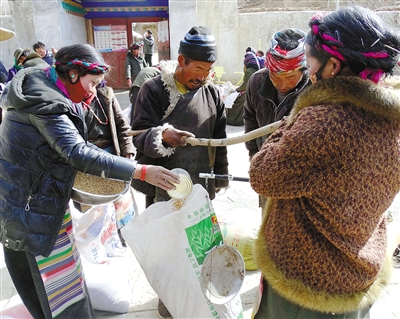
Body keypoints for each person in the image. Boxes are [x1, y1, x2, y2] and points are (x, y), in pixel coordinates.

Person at [0, 43, 179, 319]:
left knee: (45, 291)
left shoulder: (39, 90)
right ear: (72, 74)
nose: (94, 91)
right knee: (60, 294)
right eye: (92, 83)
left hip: (22, 203)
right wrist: (140, 171)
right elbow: (77, 152)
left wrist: (128, 166)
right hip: (31, 209)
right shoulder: (46, 103)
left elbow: (77, 146)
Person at [250, 6, 400, 319]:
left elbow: (262, 176)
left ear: (332, 66)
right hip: (360, 271)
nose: (306, 70)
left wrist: (297, 116)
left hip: (306, 288)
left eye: (309, 59)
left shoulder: (324, 122)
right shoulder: (392, 121)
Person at [131, 25, 229, 318]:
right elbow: (137, 134)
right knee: (169, 249)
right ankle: (171, 302)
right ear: (182, 60)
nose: (204, 76)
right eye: (198, 68)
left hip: (200, 184)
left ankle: (199, 300)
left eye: (209, 69)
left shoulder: (212, 94)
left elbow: (221, 139)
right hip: (165, 186)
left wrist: (221, 175)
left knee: (199, 248)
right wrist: (162, 136)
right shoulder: (155, 90)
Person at [244, 28, 311, 213]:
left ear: (303, 70)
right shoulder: (257, 81)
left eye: (290, 77)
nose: (282, 83)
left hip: (299, 177)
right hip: (266, 168)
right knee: (269, 222)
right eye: (275, 76)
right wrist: (253, 153)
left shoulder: (314, 89)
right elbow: (250, 118)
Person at [79, 80, 136, 245]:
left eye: (95, 82)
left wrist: (128, 151)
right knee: (94, 207)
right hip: (86, 161)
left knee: (121, 203)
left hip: (112, 156)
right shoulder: (69, 102)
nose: (91, 86)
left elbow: (122, 126)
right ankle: (97, 242)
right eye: (89, 80)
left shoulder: (106, 96)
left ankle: (124, 237)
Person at [226, 51, 259, 126]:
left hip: (248, 93)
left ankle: (233, 120)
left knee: (235, 100)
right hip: (253, 92)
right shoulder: (255, 69)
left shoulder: (249, 71)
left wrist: (236, 90)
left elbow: (245, 86)